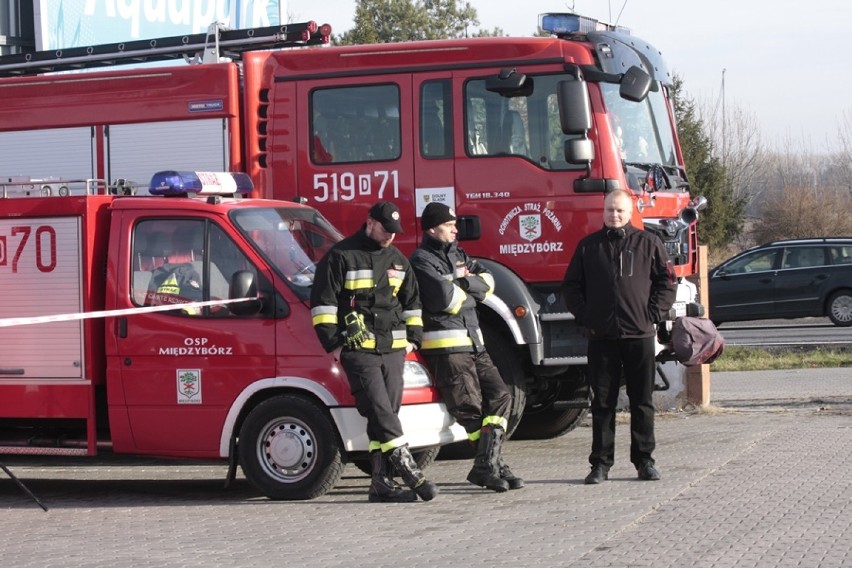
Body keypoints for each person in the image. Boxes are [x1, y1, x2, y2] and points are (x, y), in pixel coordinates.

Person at [310, 201, 438, 503]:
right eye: (385, 229)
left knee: (387, 414)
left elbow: (413, 304)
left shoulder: (397, 260)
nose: (390, 236)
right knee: (379, 409)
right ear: (369, 223)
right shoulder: (341, 256)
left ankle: (381, 483)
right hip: (357, 350)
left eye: (395, 231)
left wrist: (413, 340)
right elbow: (322, 306)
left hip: (393, 350)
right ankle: (410, 472)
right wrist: (336, 345)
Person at [562, 189, 676, 484]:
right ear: (603, 211)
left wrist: (653, 313)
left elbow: (667, 282)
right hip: (601, 337)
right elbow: (572, 287)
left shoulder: (648, 243)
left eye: (620, 211)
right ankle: (600, 464)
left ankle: (645, 461)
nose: (614, 215)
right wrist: (586, 316)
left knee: (642, 401)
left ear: (630, 213)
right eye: (610, 210)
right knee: (602, 403)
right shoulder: (588, 247)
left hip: (638, 334)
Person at [410, 202, 524, 493]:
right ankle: (493, 465)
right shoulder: (422, 260)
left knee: (501, 394)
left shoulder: (458, 254)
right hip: (448, 346)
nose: (455, 229)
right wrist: (470, 288)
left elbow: (489, 282)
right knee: (469, 410)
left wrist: (466, 285)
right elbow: (447, 300)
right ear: (433, 228)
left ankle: (488, 464)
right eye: (449, 225)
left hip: (474, 342)